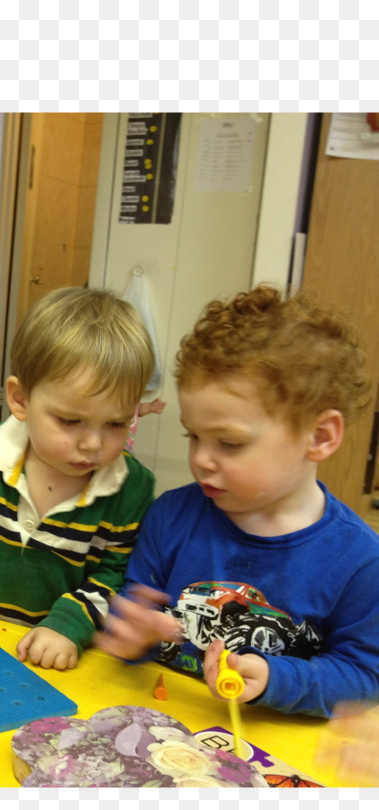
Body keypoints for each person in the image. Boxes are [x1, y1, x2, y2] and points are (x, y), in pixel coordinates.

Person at [96, 285, 379, 719]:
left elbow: (364, 679)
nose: (201, 460)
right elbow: (134, 606)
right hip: (161, 726)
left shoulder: (359, 561)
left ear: (319, 437)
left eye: (229, 443)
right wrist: (134, 633)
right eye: (193, 436)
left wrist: (276, 678)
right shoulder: (171, 515)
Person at [0, 286, 157, 670]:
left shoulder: (131, 488)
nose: (93, 444)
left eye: (116, 423)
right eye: (71, 421)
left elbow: (116, 574)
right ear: (21, 399)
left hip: (68, 654)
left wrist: (66, 627)